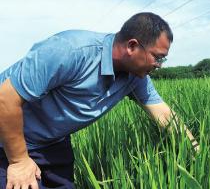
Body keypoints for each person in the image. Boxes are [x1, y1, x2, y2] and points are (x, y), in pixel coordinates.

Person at [0, 12, 199, 188]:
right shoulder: (70, 50)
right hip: (8, 139)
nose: (159, 65)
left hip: (52, 142)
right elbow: (5, 98)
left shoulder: (135, 77)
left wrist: (199, 153)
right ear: (132, 46)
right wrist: (18, 161)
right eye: (158, 57)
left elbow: (164, 115)